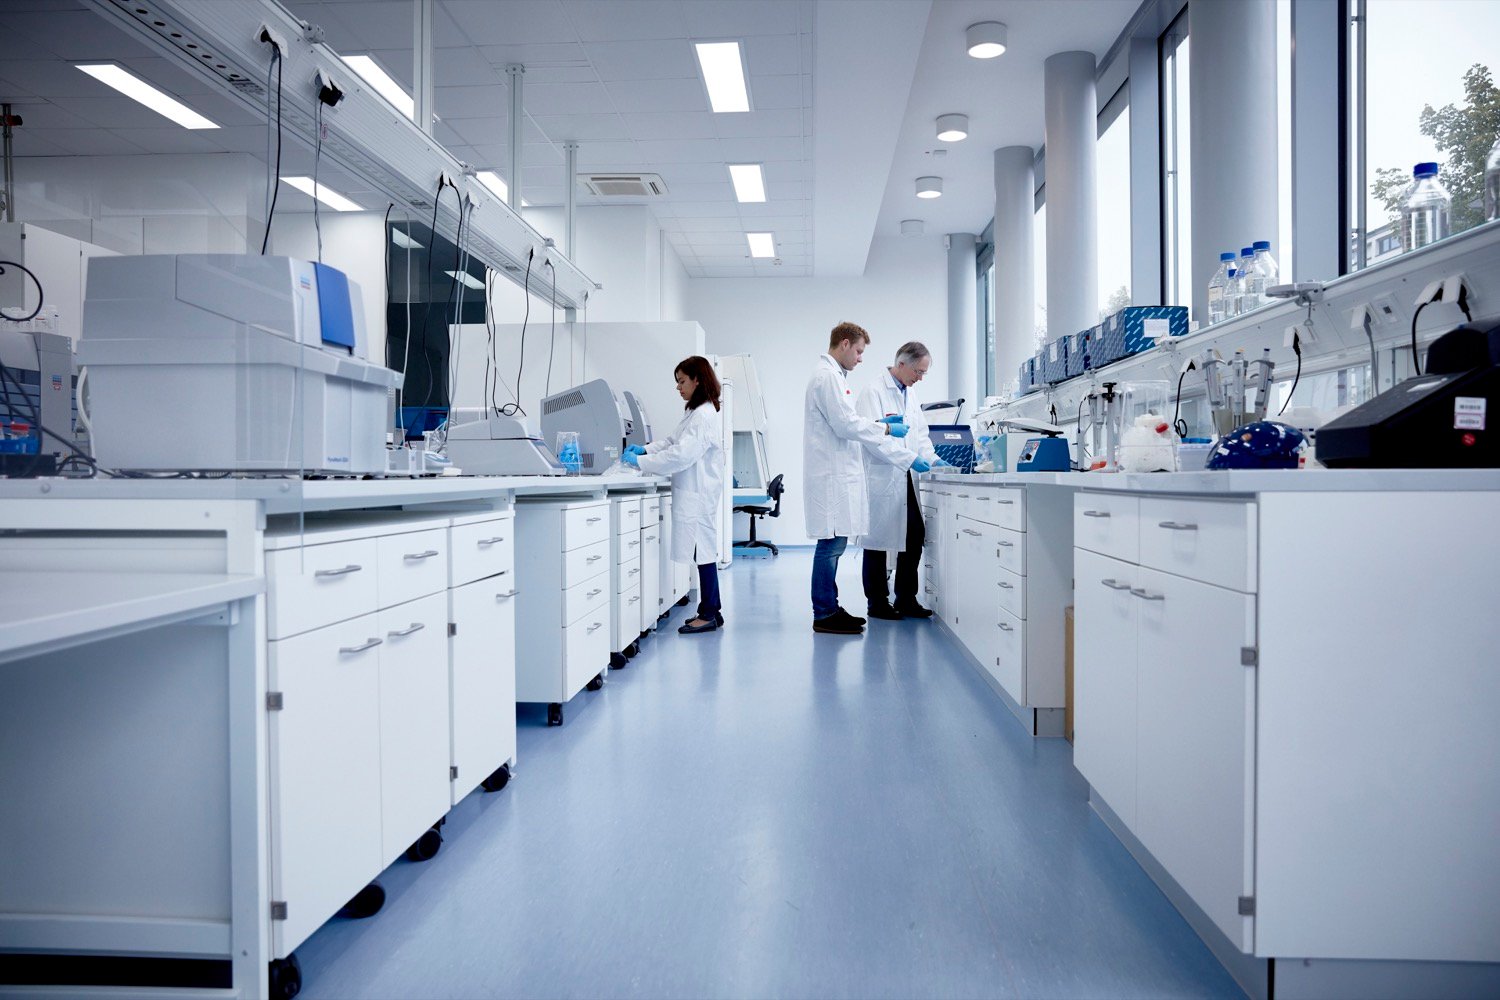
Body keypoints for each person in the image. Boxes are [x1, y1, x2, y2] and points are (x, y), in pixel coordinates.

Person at [803, 322, 929, 636]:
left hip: (842, 473)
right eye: (859, 351)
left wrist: (877, 424)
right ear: (844, 344)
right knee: (831, 546)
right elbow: (846, 425)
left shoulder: (834, 377)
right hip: (834, 475)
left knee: (835, 544)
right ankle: (825, 612)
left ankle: (829, 607)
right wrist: (884, 428)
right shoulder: (827, 377)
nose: (860, 358)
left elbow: (848, 422)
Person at [623, 356, 726, 635]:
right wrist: (645, 450)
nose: (679, 387)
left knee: (703, 551)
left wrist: (640, 463)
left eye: (682, 381)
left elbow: (681, 455)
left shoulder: (703, 414)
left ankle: (709, 613)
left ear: (697, 380)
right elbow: (672, 442)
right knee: (701, 549)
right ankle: (711, 610)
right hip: (695, 490)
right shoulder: (696, 412)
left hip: (699, 492)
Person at [856, 341, 945, 620]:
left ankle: (906, 599)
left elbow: (920, 435)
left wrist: (932, 459)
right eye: (918, 371)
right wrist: (908, 459)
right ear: (902, 363)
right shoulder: (873, 391)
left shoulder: (910, 393)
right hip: (883, 474)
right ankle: (877, 603)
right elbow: (872, 438)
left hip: (906, 474)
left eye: (924, 373)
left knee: (914, 536)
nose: (920, 377)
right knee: (877, 541)